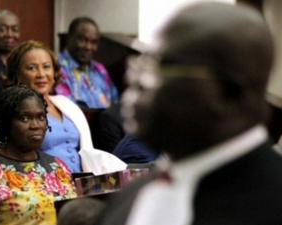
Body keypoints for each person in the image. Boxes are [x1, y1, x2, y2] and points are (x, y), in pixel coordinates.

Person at [96, 2, 282, 225]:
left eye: (160, 67)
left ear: (228, 93)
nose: (136, 80)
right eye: (142, 62)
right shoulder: (132, 195)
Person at [4, 40, 126, 174]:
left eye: (46, 66)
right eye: (32, 68)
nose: (41, 74)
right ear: (17, 74)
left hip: (82, 182)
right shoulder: (13, 110)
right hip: (45, 186)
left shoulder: (64, 104)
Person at [0, 86, 76, 225]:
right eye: (24, 118)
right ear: (5, 123)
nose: (35, 125)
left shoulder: (58, 166)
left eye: (41, 117)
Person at [56, 17, 118, 109]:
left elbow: (115, 102)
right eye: (82, 40)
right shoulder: (56, 66)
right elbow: (66, 110)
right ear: (69, 38)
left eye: (94, 42)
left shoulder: (100, 70)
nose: (88, 47)